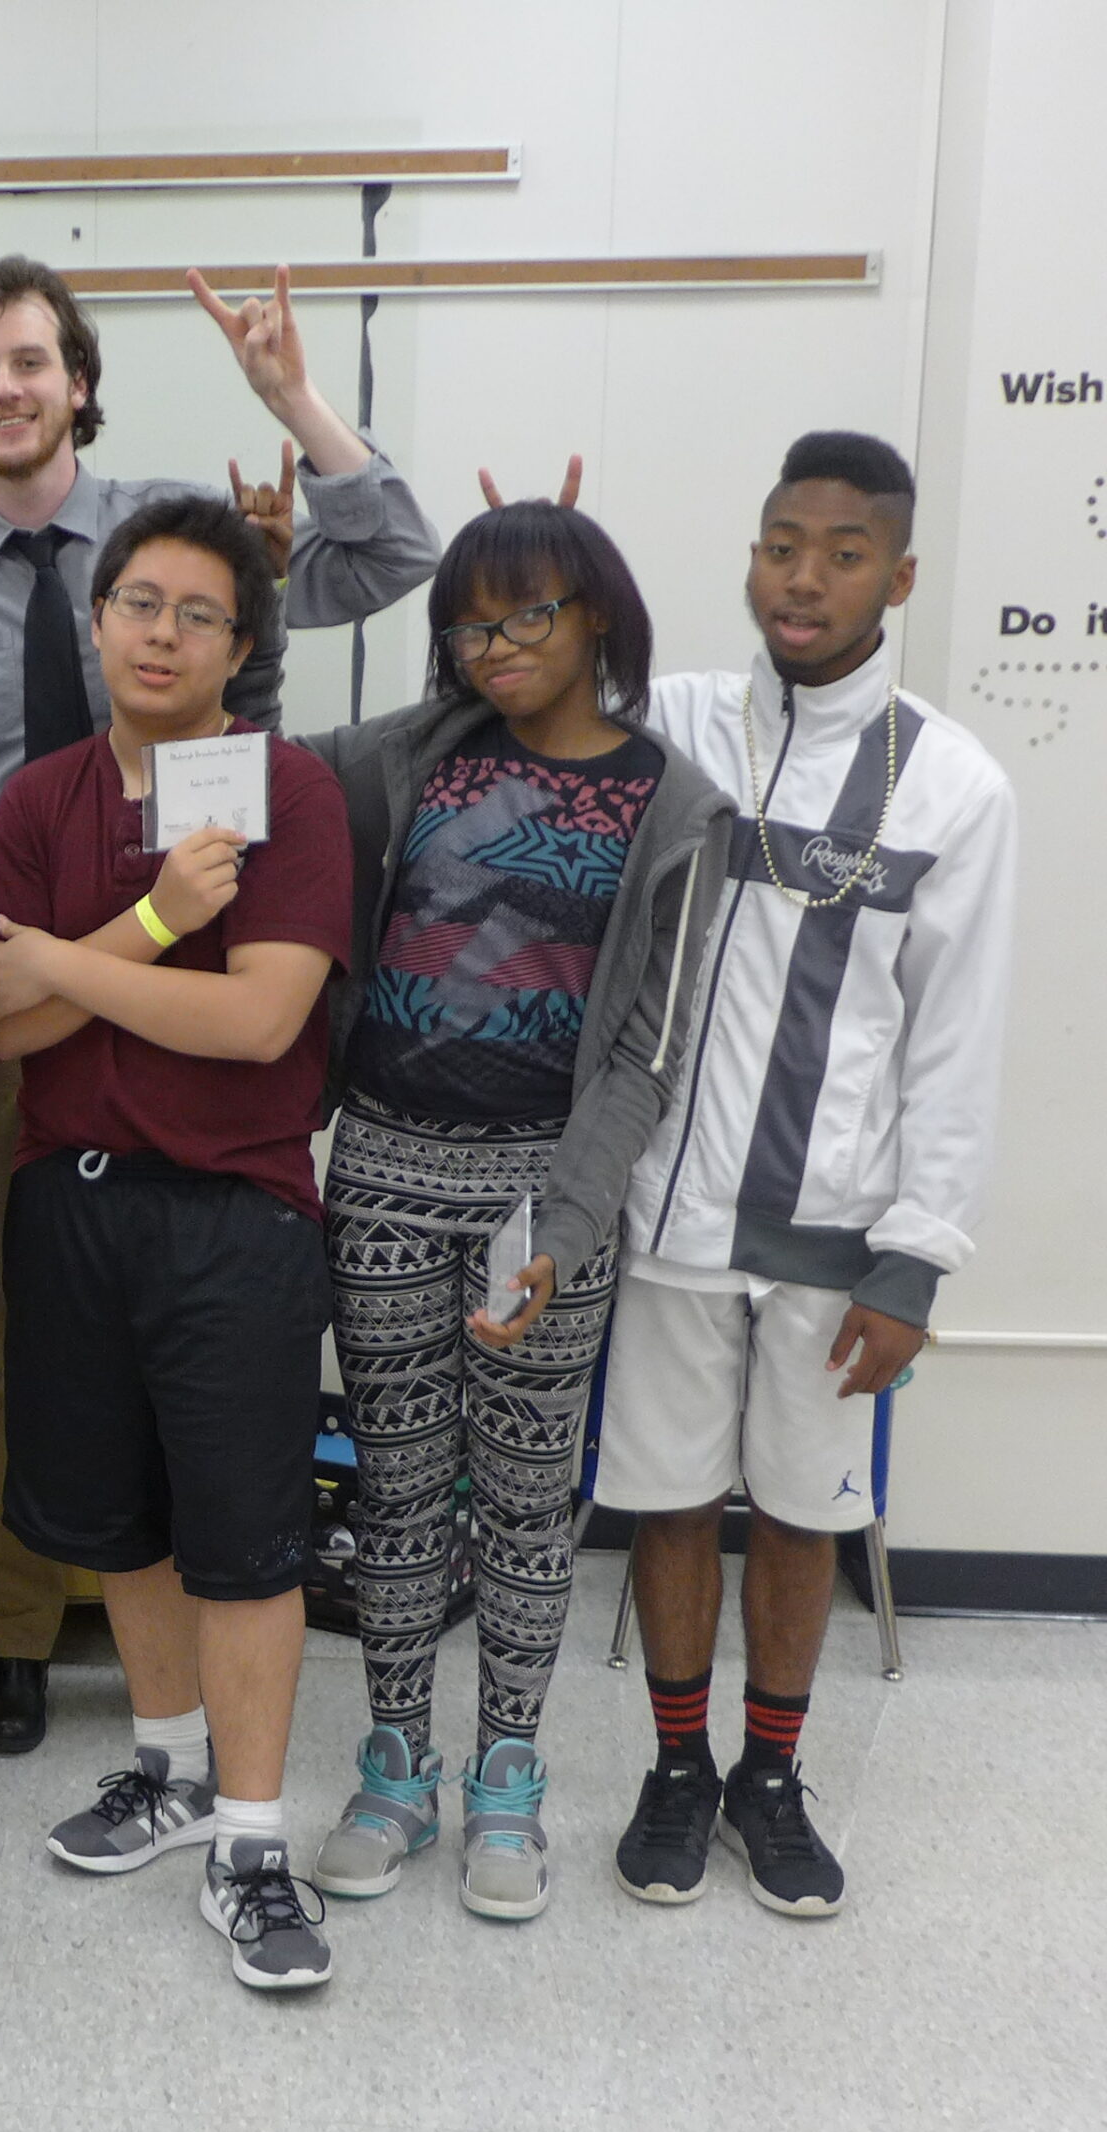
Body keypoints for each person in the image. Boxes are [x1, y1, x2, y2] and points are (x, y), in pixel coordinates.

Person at [0, 256, 440, 1755]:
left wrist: (289, 397)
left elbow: (389, 557)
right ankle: (15, 1631)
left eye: (32, 361)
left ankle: (188, 1665)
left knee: (200, 1346)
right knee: (12, 1351)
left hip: (217, 975)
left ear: (77, 379)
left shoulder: (175, 541)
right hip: (22, 997)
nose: (7, 386)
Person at [579, 431, 1016, 1916]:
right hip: (667, 1218)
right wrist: (561, 591)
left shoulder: (955, 786)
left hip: (836, 1233)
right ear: (751, 556)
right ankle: (678, 1765)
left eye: (841, 554)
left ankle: (772, 1775)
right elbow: (538, 706)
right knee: (668, 1500)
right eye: (781, 545)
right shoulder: (682, 721)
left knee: (805, 1512)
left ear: (897, 576)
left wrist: (917, 1260)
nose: (803, 577)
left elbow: (957, 1043)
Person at [294, 504, 730, 1924]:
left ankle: (509, 1782)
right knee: (402, 1498)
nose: (495, 649)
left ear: (597, 612)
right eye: (471, 625)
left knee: (532, 1511)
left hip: (538, 1197)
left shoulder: (672, 801)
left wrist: (568, 1225)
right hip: (383, 1169)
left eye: (525, 616)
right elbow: (247, 770)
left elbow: (646, 1050)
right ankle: (397, 1767)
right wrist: (260, 578)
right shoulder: (410, 756)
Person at [0, 494, 354, 1990]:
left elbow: (261, 1021)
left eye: (200, 613)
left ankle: (253, 1841)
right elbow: (9, 1018)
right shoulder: (42, 798)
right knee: (119, 1517)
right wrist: (139, 926)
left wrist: (67, 963)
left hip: (237, 1211)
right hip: (68, 1199)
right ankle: (172, 1771)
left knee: (246, 1535)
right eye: (140, 602)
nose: (162, 632)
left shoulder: (289, 793)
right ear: (99, 617)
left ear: (241, 645)